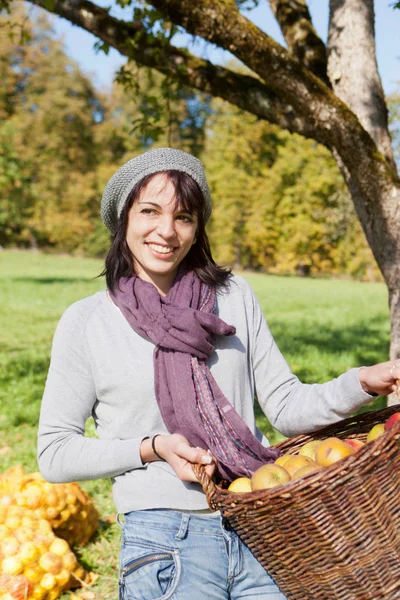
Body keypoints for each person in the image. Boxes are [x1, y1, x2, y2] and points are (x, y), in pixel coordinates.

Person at [37, 147, 400, 600]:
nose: (167, 231)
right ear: (123, 218)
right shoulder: (87, 322)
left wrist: (362, 381)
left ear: (197, 228)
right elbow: (55, 453)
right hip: (164, 538)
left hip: (264, 527)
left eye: (184, 216)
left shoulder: (233, 297)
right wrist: (152, 449)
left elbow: (285, 406)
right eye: (150, 211)